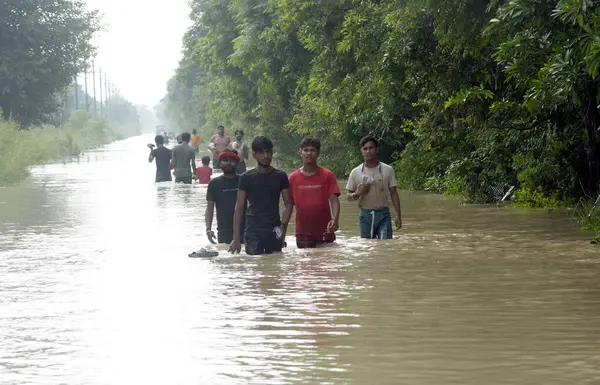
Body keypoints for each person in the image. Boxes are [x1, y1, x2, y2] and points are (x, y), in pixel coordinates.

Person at [228, 136, 293, 255]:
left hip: (274, 228)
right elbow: (239, 207)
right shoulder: (246, 178)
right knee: (255, 265)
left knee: (274, 265)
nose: (266, 156)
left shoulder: (280, 176)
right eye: (261, 152)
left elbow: (288, 204)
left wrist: (283, 228)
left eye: (268, 152)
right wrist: (236, 239)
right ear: (254, 155)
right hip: (253, 230)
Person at [288, 136, 340, 248]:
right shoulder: (292, 178)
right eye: (306, 150)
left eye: (313, 150)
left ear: (318, 153)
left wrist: (335, 219)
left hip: (326, 230)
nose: (309, 153)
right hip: (303, 232)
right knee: (306, 264)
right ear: (300, 153)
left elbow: (334, 200)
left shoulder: (328, 175)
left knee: (326, 264)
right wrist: (283, 229)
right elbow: (288, 206)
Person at [346, 135, 402, 239]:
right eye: (365, 149)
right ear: (361, 151)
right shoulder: (356, 172)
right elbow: (348, 196)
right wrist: (357, 194)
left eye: (371, 148)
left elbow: (393, 193)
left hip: (384, 214)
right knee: (367, 247)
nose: (368, 151)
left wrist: (398, 215)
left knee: (386, 245)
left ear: (376, 149)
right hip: (365, 215)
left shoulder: (388, 170)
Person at [205, 149, 246, 244]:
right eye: (225, 160)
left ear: (236, 163)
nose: (228, 163)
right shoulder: (214, 183)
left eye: (231, 160)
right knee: (226, 257)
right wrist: (208, 229)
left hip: (245, 230)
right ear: (220, 163)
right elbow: (209, 208)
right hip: (224, 231)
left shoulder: (244, 180)